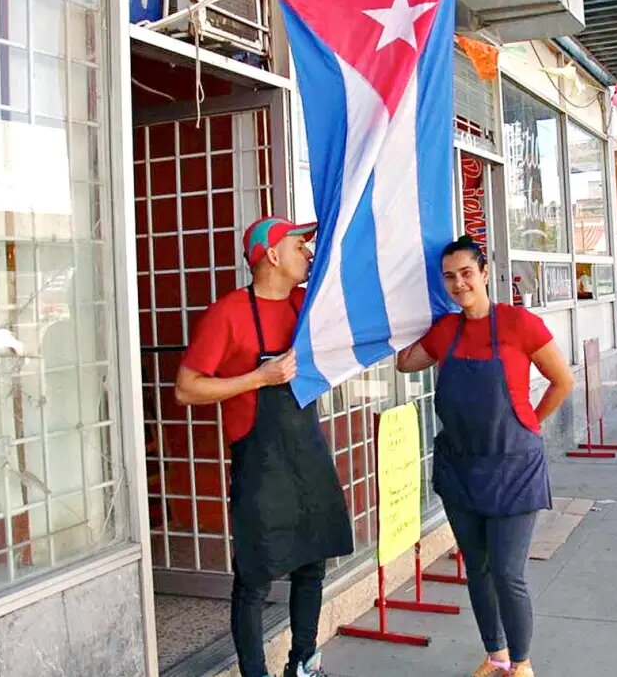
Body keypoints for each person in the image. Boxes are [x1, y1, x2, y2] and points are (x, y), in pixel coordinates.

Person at [174, 216, 353, 677]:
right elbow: (187, 389)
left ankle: (303, 664)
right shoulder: (228, 313)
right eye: (298, 245)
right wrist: (258, 377)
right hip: (260, 463)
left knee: (312, 564)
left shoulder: (305, 306)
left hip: (307, 453)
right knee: (254, 577)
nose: (307, 252)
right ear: (272, 255)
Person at [397, 235, 574, 677]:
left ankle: (521, 664)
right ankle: (496, 656)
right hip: (460, 469)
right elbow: (405, 363)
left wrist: (531, 423)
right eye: (449, 278)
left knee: (508, 573)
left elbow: (563, 381)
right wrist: (402, 311)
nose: (459, 284)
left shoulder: (519, 323)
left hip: (514, 467)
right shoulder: (446, 330)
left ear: (484, 272)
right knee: (477, 568)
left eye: (466, 273)